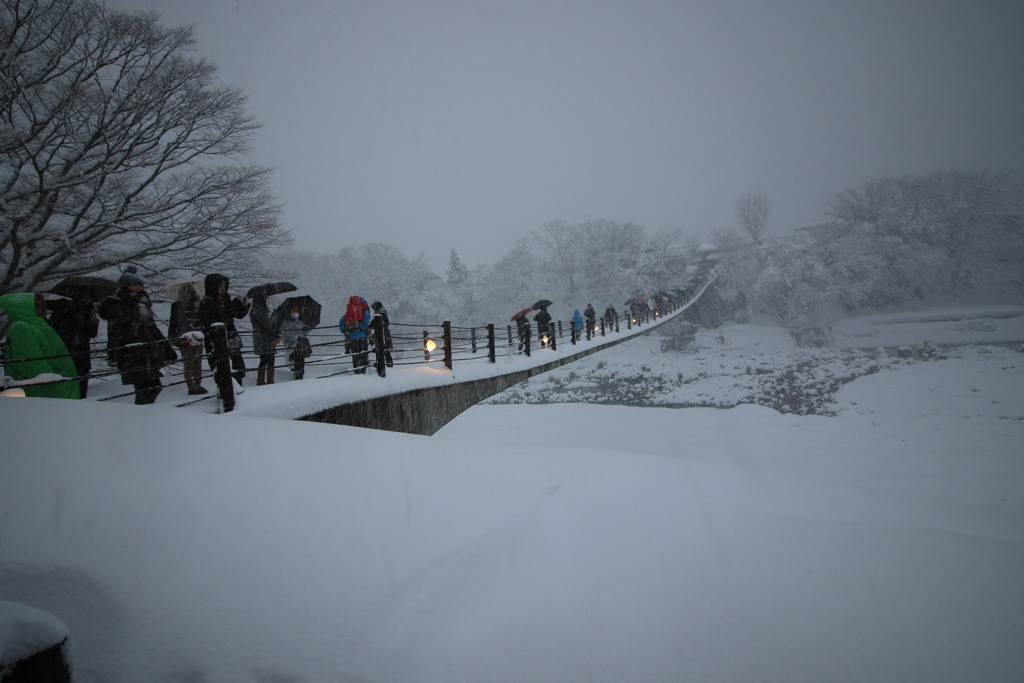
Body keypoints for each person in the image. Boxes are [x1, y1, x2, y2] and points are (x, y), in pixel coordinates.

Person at [97, 267, 175, 404]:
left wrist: (167, 348)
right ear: (125, 286)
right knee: (147, 387)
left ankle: (143, 414)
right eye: (134, 285)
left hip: (146, 351)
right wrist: (114, 354)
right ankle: (140, 416)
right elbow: (115, 332)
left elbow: (152, 328)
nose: (138, 288)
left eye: (140, 285)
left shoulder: (141, 303)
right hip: (132, 353)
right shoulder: (120, 306)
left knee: (151, 387)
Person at [0, 292, 80, 399]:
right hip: (60, 383)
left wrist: (50, 384)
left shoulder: (24, 327)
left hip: (43, 390)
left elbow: (29, 363)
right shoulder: (35, 325)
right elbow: (33, 361)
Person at [199, 273, 250, 387]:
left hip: (231, 337)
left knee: (238, 367)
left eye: (224, 286)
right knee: (223, 371)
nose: (223, 288)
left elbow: (235, 315)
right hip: (217, 340)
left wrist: (244, 306)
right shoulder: (207, 301)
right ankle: (227, 395)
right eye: (220, 286)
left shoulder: (225, 299)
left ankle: (237, 390)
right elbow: (221, 317)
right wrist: (235, 304)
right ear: (213, 286)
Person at [46, 289, 99, 397]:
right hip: (66, 347)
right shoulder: (65, 306)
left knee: (81, 376)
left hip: (80, 349)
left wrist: (93, 319)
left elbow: (92, 333)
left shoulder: (88, 311)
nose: (88, 300)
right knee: (69, 376)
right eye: (87, 298)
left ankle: (79, 398)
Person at [168, 282, 207, 395]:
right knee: (188, 362)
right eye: (184, 292)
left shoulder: (197, 304)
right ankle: (191, 386)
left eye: (189, 291)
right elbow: (173, 322)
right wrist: (172, 337)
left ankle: (198, 385)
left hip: (198, 335)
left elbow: (202, 319)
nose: (187, 294)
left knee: (198, 363)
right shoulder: (176, 305)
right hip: (184, 336)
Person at [249, 292, 281, 386]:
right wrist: (274, 318)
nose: (266, 298)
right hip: (264, 339)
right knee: (268, 359)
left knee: (265, 359)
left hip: (261, 339)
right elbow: (268, 325)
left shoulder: (256, 308)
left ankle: (262, 380)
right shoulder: (259, 309)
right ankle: (266, 381)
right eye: (265, 296)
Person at [277, 304, 311, 380]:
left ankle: (300, 374)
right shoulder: (286, 322)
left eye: (296, 311)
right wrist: (296, 338)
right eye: (293, 311)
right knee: (296, 361)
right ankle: (297, 375)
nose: (295, 313)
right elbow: (284, 333)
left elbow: (304, 333)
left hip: (300, 346)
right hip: (291, 346)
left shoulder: (300, 322)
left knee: (301, 361)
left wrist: (306, 330)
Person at [339, 295, 371, 374]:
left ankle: (356, 372)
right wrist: (362, 327)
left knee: (355, 355)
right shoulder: (363, 309)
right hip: (362, 337)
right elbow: (367, 317)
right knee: (363, 354)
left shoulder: (349, 311)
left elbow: (341, 321)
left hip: (352, 338)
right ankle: (363, 372)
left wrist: (345, 331)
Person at [369, 301, 394, 368]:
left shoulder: (381, 312)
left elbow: (379, 321)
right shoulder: (380, 311)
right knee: (384, 349)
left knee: (384, 349)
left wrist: (370, 326)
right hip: (382, 333)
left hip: (383, 333)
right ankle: (387, 364)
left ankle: (384, 364)